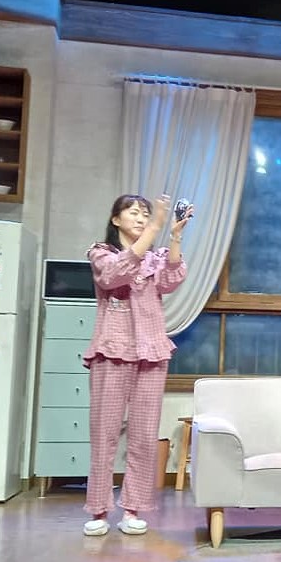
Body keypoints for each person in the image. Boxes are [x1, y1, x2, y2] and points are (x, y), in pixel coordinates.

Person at [82, 193, 192, 536]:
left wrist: (174, 236)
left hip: (151, 352)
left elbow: (171, 281)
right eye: (134, 212)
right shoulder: (101, 253)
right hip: (112, 349)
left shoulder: (155, 258)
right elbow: (114, 275)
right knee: (104, 433)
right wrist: (156, 227)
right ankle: (99, 511)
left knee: (144, 435)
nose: (142, 218)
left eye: (146, 214)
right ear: (115, 219)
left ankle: (132, 509)